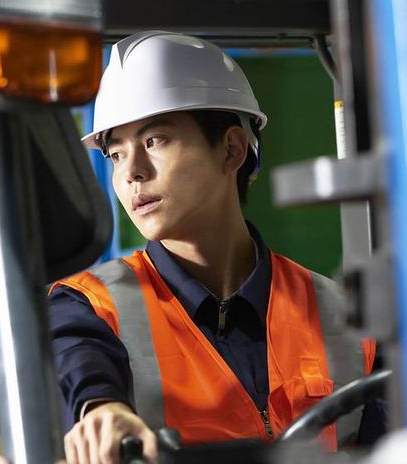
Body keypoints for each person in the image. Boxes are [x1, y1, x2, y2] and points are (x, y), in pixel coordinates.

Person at [48, 31, 385, 464]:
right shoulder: (88, 308)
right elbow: (80, 369)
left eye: (154, 141)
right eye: (115, 154)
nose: (132, 172)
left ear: (231, 150)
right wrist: (102, 411)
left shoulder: (346, 316)